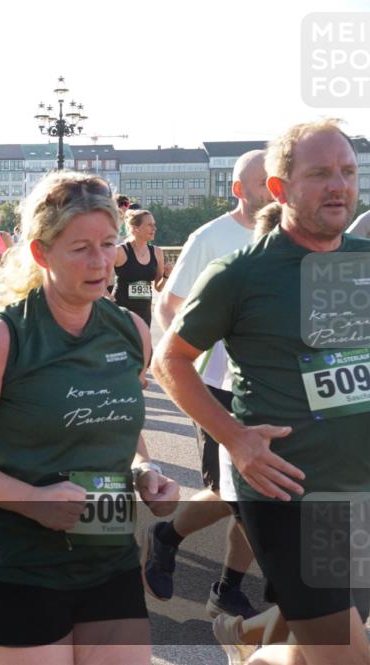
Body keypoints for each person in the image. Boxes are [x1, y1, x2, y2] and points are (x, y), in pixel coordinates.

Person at [0, 172, 178, 665]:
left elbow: (108, 421)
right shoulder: (3, 338)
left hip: (110, 560)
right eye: (81, 247)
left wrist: (144, 471)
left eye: (108, 244)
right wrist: (33, 501)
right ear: (41, 253)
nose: (101, 261)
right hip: (22, 565)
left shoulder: (132, 332)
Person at [152, 120, 370, 665]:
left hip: (358, 495)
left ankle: (249, 643)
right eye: (320, 174)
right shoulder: (242, 273)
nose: (338, 186)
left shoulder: (360, 260)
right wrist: (236, 440)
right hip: (289, 495)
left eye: (347, 172)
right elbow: (169, 360)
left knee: (310, 649)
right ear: (279, 188)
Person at [144, 150, 272, 620]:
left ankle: (228, 586)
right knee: (233, 492)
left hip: (272, 386)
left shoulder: (291, 235)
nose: (273, 187)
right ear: (239, 189)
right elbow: (166, 306)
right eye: (263, 182)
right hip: (216, 384)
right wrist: (196, 352)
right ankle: (166, 535)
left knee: (260, 486)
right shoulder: (210, 237)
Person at [112, 209, 168, 327]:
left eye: (154, 225)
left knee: (142, 344)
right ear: (135, 228)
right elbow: (98, 275)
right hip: (121, 312)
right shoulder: (119, 251)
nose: (154, 228)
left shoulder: (157, 252)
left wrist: (166, 275)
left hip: (144, 313)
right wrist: (107, 298)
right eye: (149, 225)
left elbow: (158, 287)